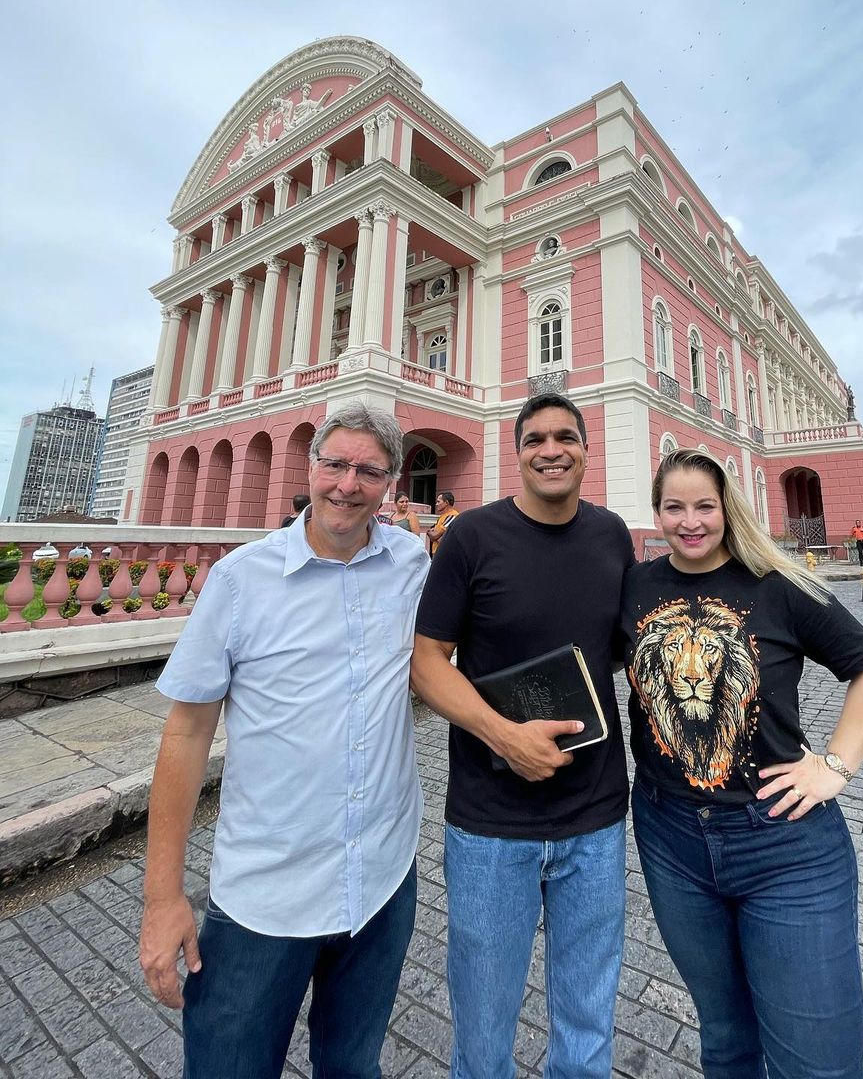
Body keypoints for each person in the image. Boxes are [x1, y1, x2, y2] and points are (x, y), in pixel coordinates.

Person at [139, 402, 429, 1079]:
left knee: (353, 1066)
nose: (347, 484)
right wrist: (162, 900)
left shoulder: (411, 563)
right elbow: (185, 733)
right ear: (312, 465)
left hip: (381, 879)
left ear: (390, 484)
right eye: (335, 464)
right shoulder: (243, 579)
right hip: (266, 894)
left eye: (369, 471)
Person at [621, 448, 863, 1079]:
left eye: (704, 506)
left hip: (784, 843)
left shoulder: (777, 586)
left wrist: (835, 766)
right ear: (658, 511)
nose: (689, 521)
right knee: (725, 1038)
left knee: (818, 1063)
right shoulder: (639, 585)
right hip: (671, 838)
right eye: (674, 507)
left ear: (728, 509)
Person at [411, 393, 635, 1079]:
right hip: (489, 825)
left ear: (586, 450)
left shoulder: (612, 535)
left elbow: (621, 650)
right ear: (517, 453)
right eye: (535, 438)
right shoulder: (473, 537)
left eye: (566, 436)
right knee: (483, 1024)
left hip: (595, 819)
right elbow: (426, 661)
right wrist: (503, 734)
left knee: (588, 1019)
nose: (551, 449)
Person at [427, 490, 459, 557]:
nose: (436, 504)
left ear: (446, 502)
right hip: (437, 553)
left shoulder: (452, 516)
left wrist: (429, 532)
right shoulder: (442, 516)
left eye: (438, 501)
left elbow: (435, 536)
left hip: (445, 554)